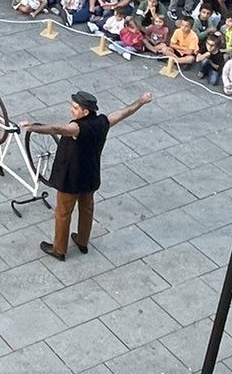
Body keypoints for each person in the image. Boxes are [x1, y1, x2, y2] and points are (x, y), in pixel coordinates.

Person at [18, 89, 153, 261]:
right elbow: (125, 112)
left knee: (63, 213)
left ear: (85, 111)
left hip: (71, 179)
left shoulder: (77, 128)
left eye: (75, 108)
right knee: (87, 209)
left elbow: (56, 128)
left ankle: (59, 249)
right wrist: (141, 100)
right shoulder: (103, 122)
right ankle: (82, 241)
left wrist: (32, 127)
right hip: (90, 176)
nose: (71, 110)